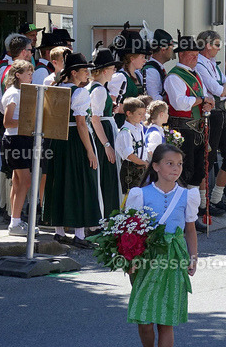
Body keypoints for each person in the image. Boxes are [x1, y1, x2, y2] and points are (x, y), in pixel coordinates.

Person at [125, 144, 199, 347]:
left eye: (179, 164)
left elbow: (190, 229)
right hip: (145, 259)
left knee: (165, 321)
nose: (175, 168)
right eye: (169, 163)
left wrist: (193, 256)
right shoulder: (139, 194)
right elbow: (130, 229)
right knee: (144, 317)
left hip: (173, 259)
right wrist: (130, 258)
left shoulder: (187, 195)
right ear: (155, 166)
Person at [42, 53, 100, 249]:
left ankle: (59, 231)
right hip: (75, 140)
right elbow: (81, 124)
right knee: (81, 182)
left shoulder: (55, 88)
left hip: (57, 140)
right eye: (84, 70)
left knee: (60, 181)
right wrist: (91, 151)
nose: (87, 74)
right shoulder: (80, 92)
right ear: (73, 72)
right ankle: (79, 234)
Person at [165, 33, 214, 206]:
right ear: (181, 55)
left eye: (196, 54)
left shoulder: (196, 75)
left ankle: (192, 212)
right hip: (183, 130)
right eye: (191, 54)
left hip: (198, 129)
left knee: (198, 172)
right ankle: (181, 211)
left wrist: (209, 104)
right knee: (185, 171)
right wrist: (202, 101)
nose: (194, 57)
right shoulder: (174, 77)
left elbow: (206, 95)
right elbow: (179, 104)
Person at [194, 30, 226, 214]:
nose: (219, 49)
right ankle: (204, 204)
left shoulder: (213, 65)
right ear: (207, 45)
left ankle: (216, 198)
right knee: (208, 159)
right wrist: (224, 90)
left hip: (222, 113)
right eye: (217, 45)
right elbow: (216, 89)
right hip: (211, 115)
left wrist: (224, 90)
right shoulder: (199, 63)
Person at [0, 60, 34, 236]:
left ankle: (15, 220)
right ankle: (15, 222)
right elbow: (7, 121)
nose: (31, 75)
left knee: (18, 181)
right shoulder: (13, 93)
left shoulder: (19, 92)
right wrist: (30, 122)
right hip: (15, 139)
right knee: (25, 181)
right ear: (18, 75)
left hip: (20, 138)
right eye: (28, 73)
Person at [88, 48, 121, 216]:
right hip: (102, 135)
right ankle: (105, 215)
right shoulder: (99, 90)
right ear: (105, 70)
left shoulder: (96, 87)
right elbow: (95, 119)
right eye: (113, 69)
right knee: (106, 176)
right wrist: (107, 144)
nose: (114, 72)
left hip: (103, 132)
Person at [110, 23, 150, 125]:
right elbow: (112, 105)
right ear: (132, 58)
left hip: (135, 124)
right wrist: (135, 109)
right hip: (122, 124)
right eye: (142, 57)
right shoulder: (119, 77)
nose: (145, 60)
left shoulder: (139, 75)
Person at [116, 97, 150, 193]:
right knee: (131, 198)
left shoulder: (139, 128)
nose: (142, 117)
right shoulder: (126, 133)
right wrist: (144, 163)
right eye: (139, 114)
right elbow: (129, 155)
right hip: (130, 170)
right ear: (129, 113)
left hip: (141, 167)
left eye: (143, 114)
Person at [143, 28, 175, 101]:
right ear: (163, 49)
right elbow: (153, 99)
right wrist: (173, 96)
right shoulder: (151, 71)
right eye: (171, 48)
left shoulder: (157, 68)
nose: (172, 52)